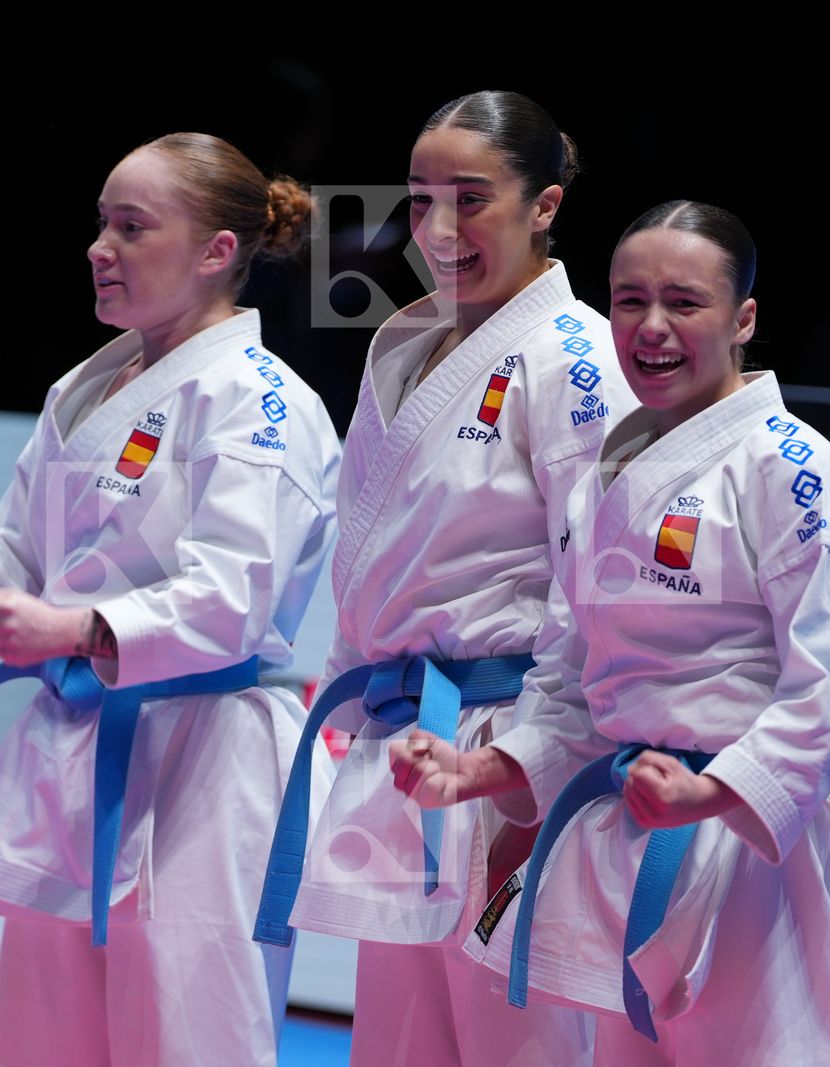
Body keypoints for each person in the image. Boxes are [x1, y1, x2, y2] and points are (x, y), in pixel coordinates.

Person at [390, 201, 830, 1065]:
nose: (651, 327)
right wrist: (485, 768)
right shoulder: (604, 473)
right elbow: (570, 675)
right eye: (628, 300)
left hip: (753, 859)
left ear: (744, 320)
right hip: (627, 833)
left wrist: (717, 790)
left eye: (683, 303)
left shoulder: (798, 473)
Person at [0, 132, 340, 1067]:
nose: (99, 247)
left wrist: (73, 629)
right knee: (42, 1040)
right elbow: (8, 557)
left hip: (204, 763)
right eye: (101, 223)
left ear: (216, 251)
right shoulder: (85, 386)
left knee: (195, 1043)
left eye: (131, 227)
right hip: (78, 747)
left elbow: (233, 594)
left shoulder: (261, 402)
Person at [254, 90, 632, 1066]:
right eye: (422, 200)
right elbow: (382, 540)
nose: (438, 228)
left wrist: (535, 771)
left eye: (472, 199)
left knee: (518, 1044)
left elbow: (602, 586)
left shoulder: (574, 358)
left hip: (506, 739)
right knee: (395, 1041)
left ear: (544, 204)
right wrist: (348, 682)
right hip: (407, 738)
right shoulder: (412, 342)